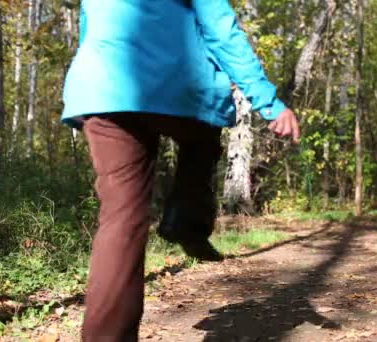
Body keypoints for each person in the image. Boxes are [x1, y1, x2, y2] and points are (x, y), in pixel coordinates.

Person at [61, 0, 300, 340]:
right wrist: (268, 102)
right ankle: (188, 218)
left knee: (121, 221)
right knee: (203, 136)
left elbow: (90, 25)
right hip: (176, 87)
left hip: (102, 88)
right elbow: (221, 30)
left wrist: (89, 92)